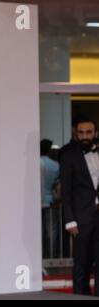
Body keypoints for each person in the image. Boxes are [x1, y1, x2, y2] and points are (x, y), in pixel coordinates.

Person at [60, 116, 99, 296]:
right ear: (76, 133)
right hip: (81, 219)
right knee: (81, 265)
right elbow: (66, 190)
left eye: (88, 132)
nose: (85, 136)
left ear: (95, 133)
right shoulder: (68, 155)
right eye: (81, 132)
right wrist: (70, 220)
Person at [40, 139, 60, 259]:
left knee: (38, 231)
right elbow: (57, 185)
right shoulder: (55, 165)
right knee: (52, 232)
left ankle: (40, 255)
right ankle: (52, 256)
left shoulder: (34, 162)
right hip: (49, 201)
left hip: (36, 202)